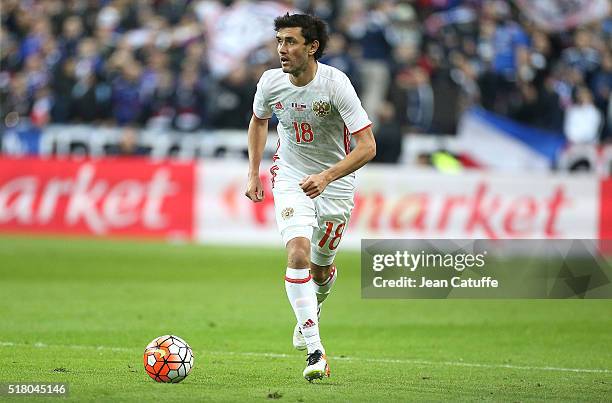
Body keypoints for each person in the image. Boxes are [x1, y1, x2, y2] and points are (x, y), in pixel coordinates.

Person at [244, 13, 376, 382]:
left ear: (312, 46)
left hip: (336, 183)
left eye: (290, 42)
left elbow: (368, 146)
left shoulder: (336, 85)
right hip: (290, 176)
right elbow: (258, 120)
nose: (282, 50)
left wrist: (328, 176)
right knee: (297, 253)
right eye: (279, 41)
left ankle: (312, 308)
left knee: (320, 269)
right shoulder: (271, 82)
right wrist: (253, 171)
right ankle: (317, 351)